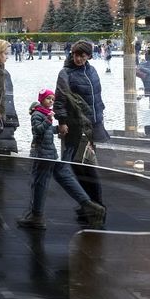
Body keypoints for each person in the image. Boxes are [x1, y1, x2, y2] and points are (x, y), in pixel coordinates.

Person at [16, 90, 107, 229]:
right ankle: (90, 206)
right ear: (42, 100)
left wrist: (56, 126)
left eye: (53, 99)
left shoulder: (45, 114)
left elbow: (40, 131)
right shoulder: (40, 114)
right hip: (53, 151)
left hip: (44, 153)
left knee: (39, 181)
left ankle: (37, 215)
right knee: (64, 176)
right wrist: (55, 125)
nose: (51, 101)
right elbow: (40, 130)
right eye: (48, 99)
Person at [54, 40, 111, 224]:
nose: (78, 58)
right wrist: (62, 121)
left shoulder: (92, 71)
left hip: (91, 127)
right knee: (78, 166)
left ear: (88, 57)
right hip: (75, 126)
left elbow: (97, 99)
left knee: (86, 166)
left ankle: (96, 205)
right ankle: (90, 204)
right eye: (76, 55)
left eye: (82, 55)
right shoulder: (66, 73)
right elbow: (60, 100)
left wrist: (99, 122)